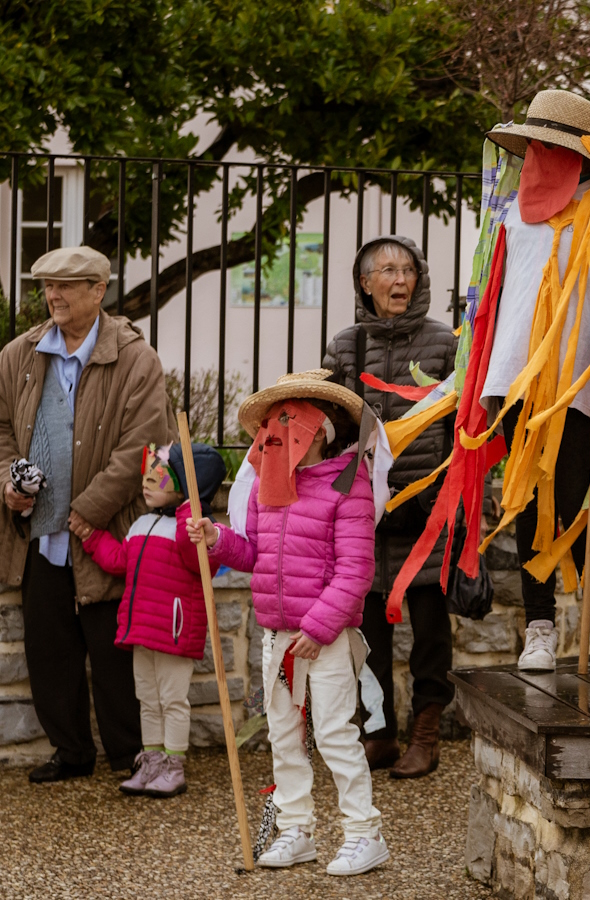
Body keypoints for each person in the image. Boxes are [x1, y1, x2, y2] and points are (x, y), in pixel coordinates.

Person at [481, 90, 590, 674]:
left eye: (549, 146)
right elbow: (496, 294)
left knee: (585, 504)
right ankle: (538, 628)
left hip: (579, 379)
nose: (538, 156)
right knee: (528, 502)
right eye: (534, 145)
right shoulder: (511, 213)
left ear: (577, 155)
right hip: (517, 379)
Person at [189, 370, 389, 876]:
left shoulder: (348, 485)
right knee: (283, 734)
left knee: (335, 733)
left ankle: (364, 833)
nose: (272, 434)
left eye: (287, 421)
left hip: (326, 639)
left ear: (318, 430)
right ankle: (296, 828)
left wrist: (319, 629)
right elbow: (255, 552)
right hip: (278, 637)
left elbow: (356, 570)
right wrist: (217, 539)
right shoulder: (269, 486)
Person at [0, 246, 173, 784]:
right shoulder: (17, 355)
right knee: (49, 649)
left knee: (113, 648)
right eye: (48, 286)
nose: (53, 296)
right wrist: (8, 483)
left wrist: (90, 509)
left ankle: (128, 755)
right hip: (38, 534)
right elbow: (1, 430)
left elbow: (145, 440)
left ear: (99, 291)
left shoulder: (136, 358)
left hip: (107, 533)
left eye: (67, 286)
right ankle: (71, 752)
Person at [324, 235, 456, 778]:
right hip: (365, 514)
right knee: (368, 635)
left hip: (426, 511)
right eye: (386, 271)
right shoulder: (345, 346)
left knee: (429, 633)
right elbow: (329, 426)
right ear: (365, 283)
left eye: (408, 270)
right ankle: (378, 735)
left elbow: (465, 426)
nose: (399, 280)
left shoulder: (445, 343)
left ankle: (426, 736)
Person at [76, 441, 226, 798]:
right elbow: (120, 560)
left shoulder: (195, 529)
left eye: (158, 477)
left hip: (174, 632)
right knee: (146, 697)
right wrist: (92, 538)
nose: (146, 483)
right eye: (146, 476)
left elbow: (199, 563)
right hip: (142, 629)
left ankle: (174, 766)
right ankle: (153, 761)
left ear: (185, 487)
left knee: (172, 700)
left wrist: (190, 511)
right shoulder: (142, 524)